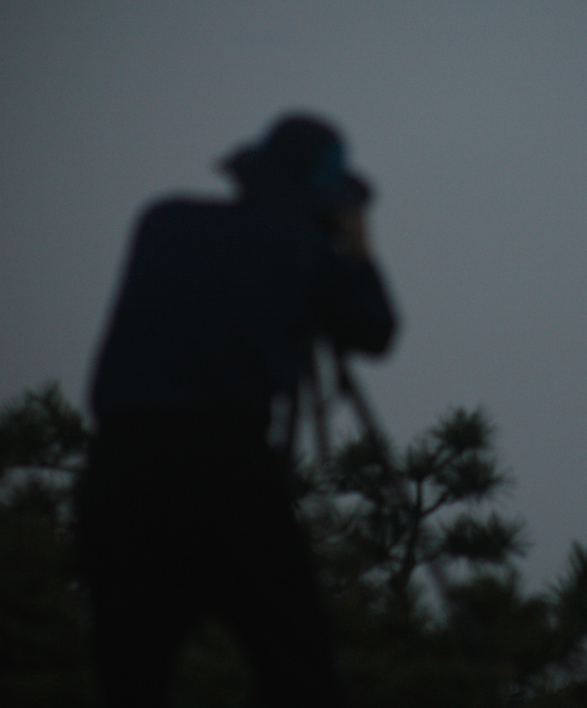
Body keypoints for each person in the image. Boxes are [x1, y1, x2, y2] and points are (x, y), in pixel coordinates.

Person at [75, 114, 396, 707]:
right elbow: (374, 331)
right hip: (225, 470)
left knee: (130, 673)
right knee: (298, 665)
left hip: (119, 467)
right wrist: (354, 249)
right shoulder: (305, 250)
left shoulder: (163, 221)